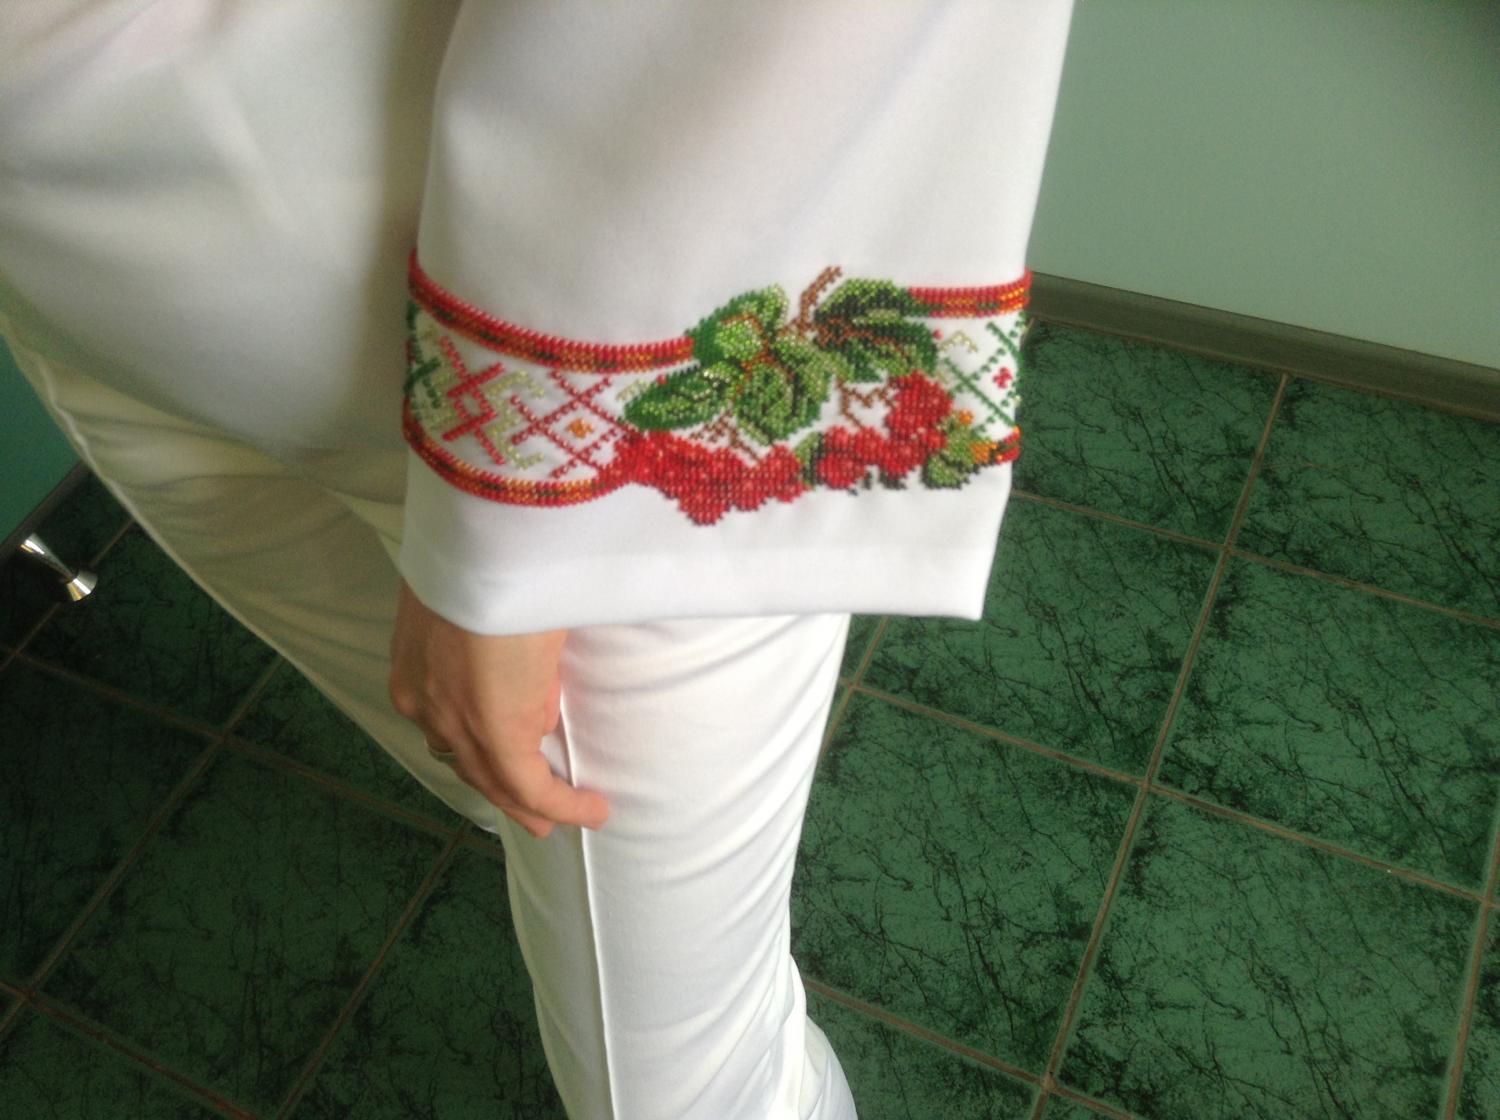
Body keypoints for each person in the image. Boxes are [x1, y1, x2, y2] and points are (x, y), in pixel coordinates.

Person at [0, 2, 1076, 1116]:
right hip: (84, 298)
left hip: (585, 425)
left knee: (685, 1093)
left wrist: (507, 536)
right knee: (493, 789)